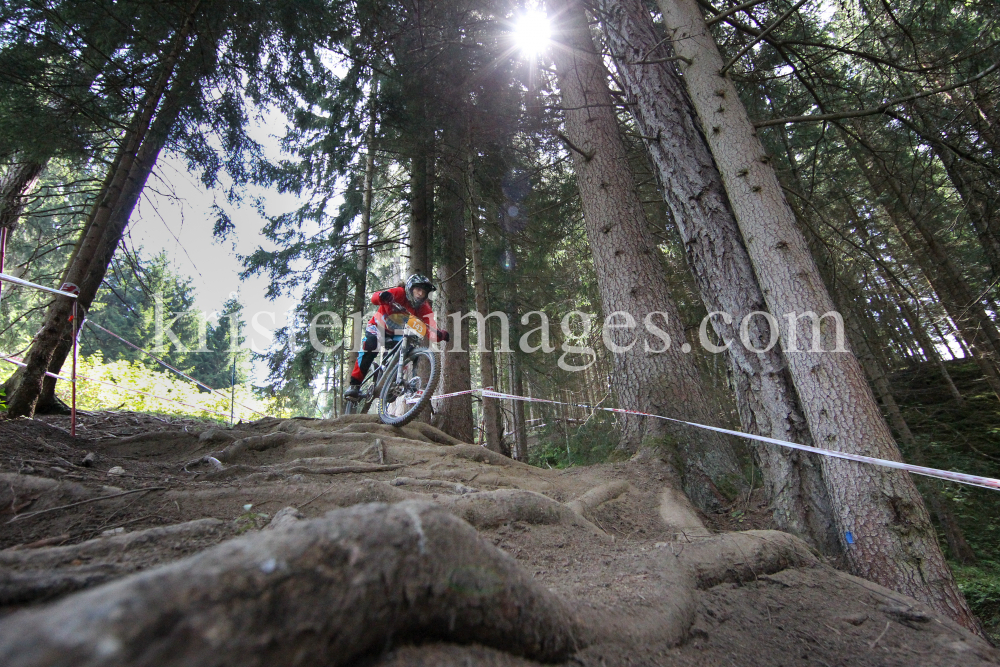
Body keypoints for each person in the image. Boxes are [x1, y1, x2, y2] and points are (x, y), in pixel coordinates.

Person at [344, 274, 449, 400]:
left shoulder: (423, 307)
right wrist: (383, 296)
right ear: (410, 288)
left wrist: (440, 334)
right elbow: (374, 298)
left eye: (424, 291)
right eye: (418, 289)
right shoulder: (399, 293)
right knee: (370, 346)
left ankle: (392, 382)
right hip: (378, 326)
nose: (421, 294)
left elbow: (430, 326)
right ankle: (354, 386)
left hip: (397, 334)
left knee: (407, 349)